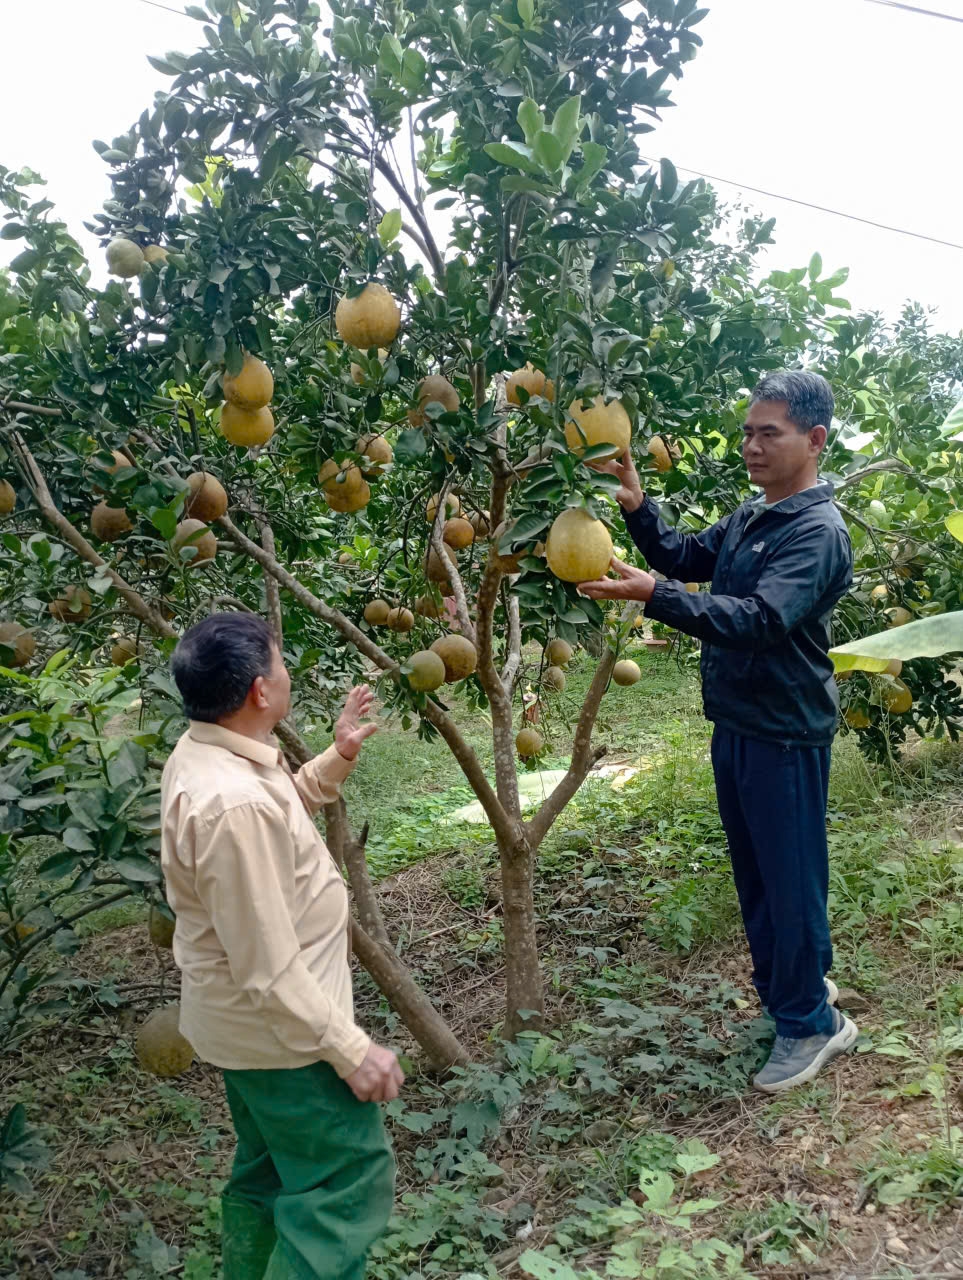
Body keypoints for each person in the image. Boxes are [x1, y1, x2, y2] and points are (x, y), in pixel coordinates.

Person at [579, 370, 858, 1094]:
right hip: (738, 720)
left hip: (784, 730)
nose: (751, 447)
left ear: (814, 440)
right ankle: (796, 990)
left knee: (789, 880)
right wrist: (637, 505)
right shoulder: (752, 515)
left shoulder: (816, 532)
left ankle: (811, 1023)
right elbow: (684, 558)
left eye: (769, 433)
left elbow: (760, 620)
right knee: (759, 875)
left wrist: (656, 597)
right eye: (747, 433)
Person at [160, 612, 401, 1280]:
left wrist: (336, 756)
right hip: (286, 1042)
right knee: (341, 1190)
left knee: (268, 1178)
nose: (287, 673)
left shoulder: (209, 754)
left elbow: (278, 818)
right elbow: (266, 967)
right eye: (281, 662)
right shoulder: (232, 804)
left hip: (249, 1035)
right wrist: (351, 1050)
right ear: (260, 691)